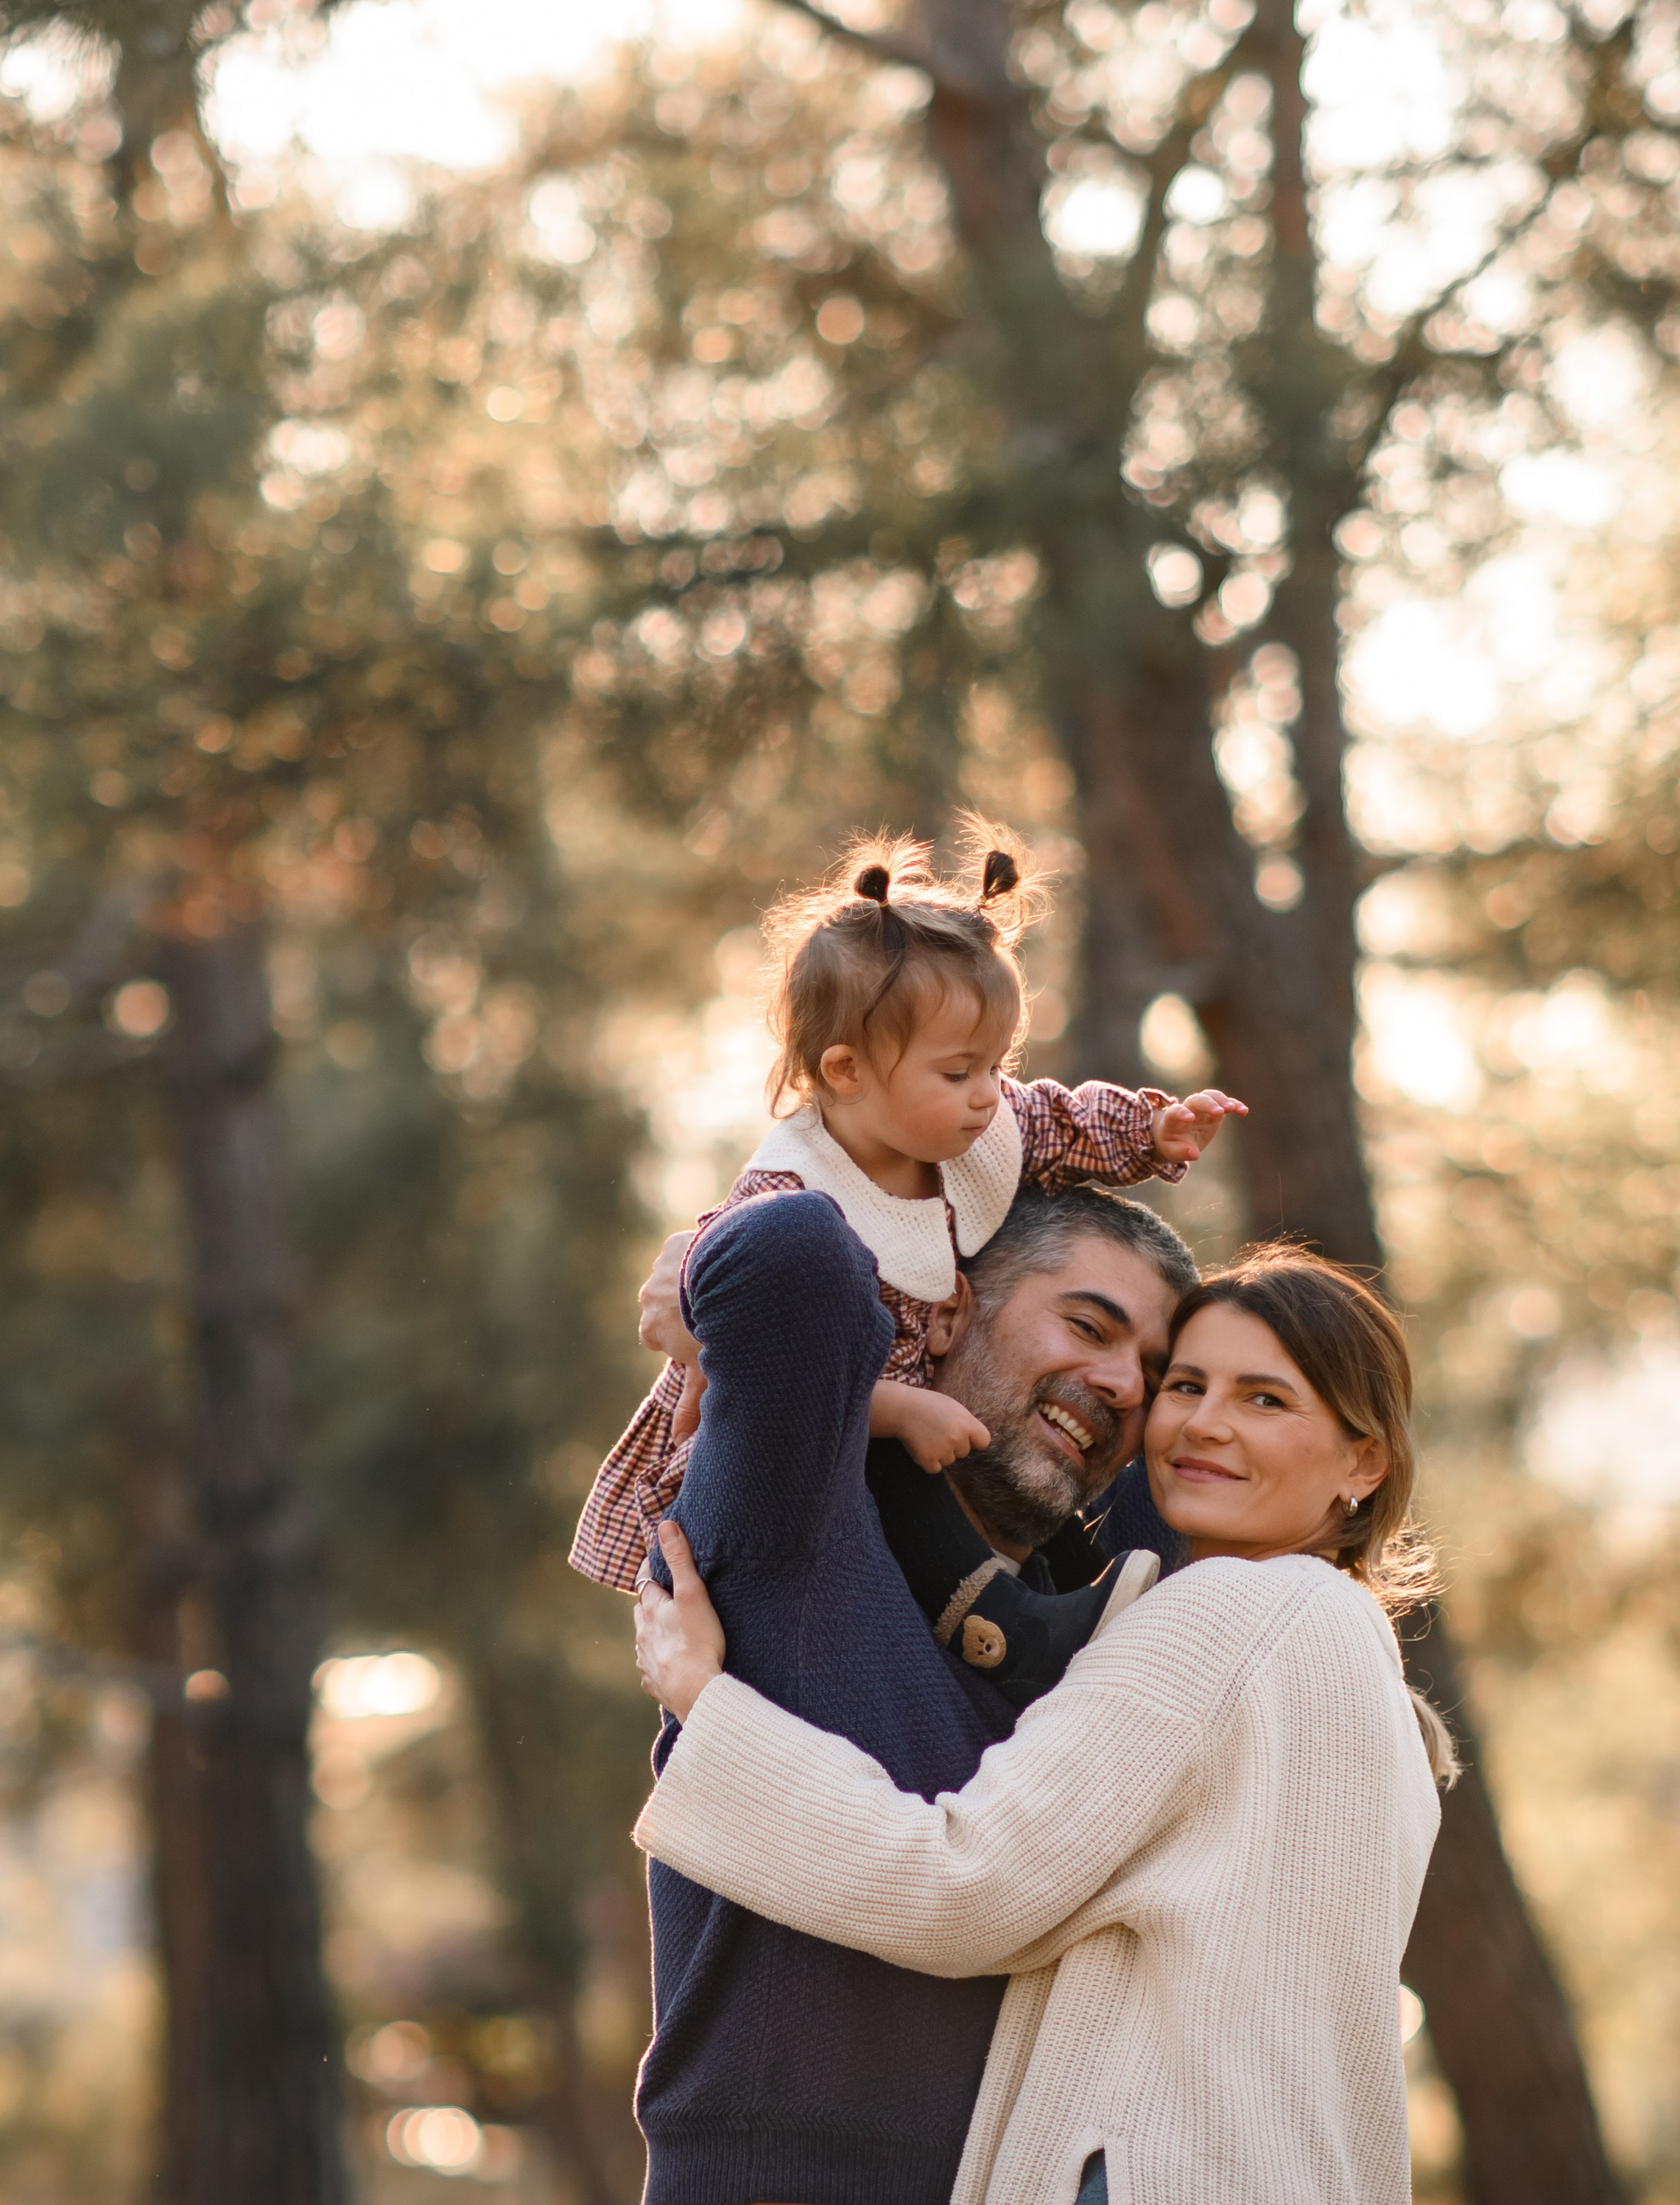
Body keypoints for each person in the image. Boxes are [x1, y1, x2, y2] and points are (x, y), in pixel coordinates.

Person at [636, 1251, 1455, 2205]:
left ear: (1364, 1460)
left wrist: (710, 1704)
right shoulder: (1364, 1673)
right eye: (1184, 1384)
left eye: (1265, 1400)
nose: (1203, 1423)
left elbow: (961, 1882)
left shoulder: (1230, 1613)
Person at [623, 1176, 1200, 2205]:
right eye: (1088, 1325)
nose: (1122, 1384)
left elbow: (1243, 1446)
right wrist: (708, 1262)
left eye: (1154, 1372)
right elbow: (794, 1253)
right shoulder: (800, 1504)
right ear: (946, 1313)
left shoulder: (1115, 1639)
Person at [572, 824, 1243, 1595]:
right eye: (959, 1070)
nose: (989, 1092)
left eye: (997, 1063)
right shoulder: (794, 1194)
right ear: (847, 1069)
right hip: (800, 1447)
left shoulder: (980, 1129)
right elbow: (777, 1367)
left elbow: (1062, 1122)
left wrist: (1152, 1131)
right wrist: (894, 1409)